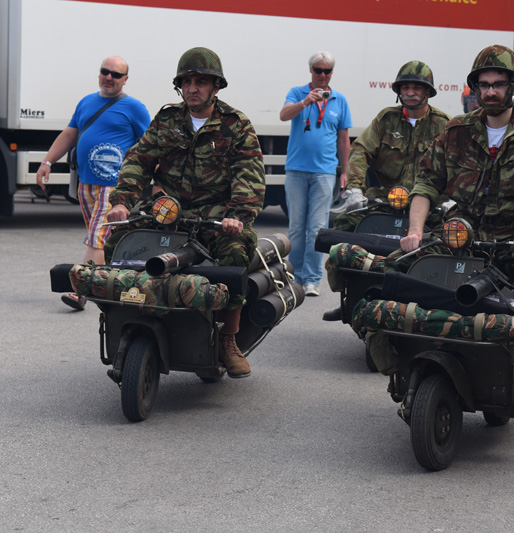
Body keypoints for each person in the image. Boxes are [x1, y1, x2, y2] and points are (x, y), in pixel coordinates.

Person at [398, 44, 514, 416]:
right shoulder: (456, 131)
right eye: (484, 84)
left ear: (513, 87)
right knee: (398, 270)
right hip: (461, 236)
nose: (490, 91)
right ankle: (404, 361)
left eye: (498, 84)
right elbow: (425, 183)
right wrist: (414, 231)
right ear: (474, 88)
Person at [105, 47, 266, 379]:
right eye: (188, 81)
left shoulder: (236, 125)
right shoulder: (167, 120)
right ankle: (125, 317)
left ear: (216, 86)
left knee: (235, 254)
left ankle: (227, 338)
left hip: (216, 214)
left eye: (201, 81)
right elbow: (139, 160)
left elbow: (248, 175)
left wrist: (238, 216)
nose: (193, 88)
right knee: (117, 243)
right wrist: (121, 202)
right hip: (168, 209)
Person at [322, 60, 450, 321]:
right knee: (344, 227)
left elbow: (457, 165)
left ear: (428, 92)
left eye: (417, 88)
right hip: (385, 199)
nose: (410, 93)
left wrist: (452, 199)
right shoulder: (385, 119)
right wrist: (354, 190)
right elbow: (360, 152)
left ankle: (443, 301)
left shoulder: (443, 125)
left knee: (452, 241)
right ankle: (348, 296)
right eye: (405, 88)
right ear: (398, 91)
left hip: (429, 203)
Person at [36, 56, 150, 311]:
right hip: (86, 184)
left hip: (114, 187)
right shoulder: (86, 102)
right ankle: (115, 285)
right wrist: (47, 162)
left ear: (125, 79)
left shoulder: (134, 107)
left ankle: (80, 291)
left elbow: (150, 145)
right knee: (103, 240)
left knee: (97, 238)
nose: (109, 77)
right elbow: (69, 134)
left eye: (116, 74)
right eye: (105, 72)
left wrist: (156, 179)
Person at [279, 51, 353, 297]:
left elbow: (344, 139)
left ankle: (312, 279)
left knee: (317, 228)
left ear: (332, 73)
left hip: (324, 172)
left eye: (327, 71)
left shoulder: (339, 100)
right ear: (310, 71)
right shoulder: (297, 93)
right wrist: (305, 102)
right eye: (318, 70)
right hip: (297, 170)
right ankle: (295, 275)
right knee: (297, 227)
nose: (322, 75)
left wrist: (345, 172)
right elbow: (283, 115)